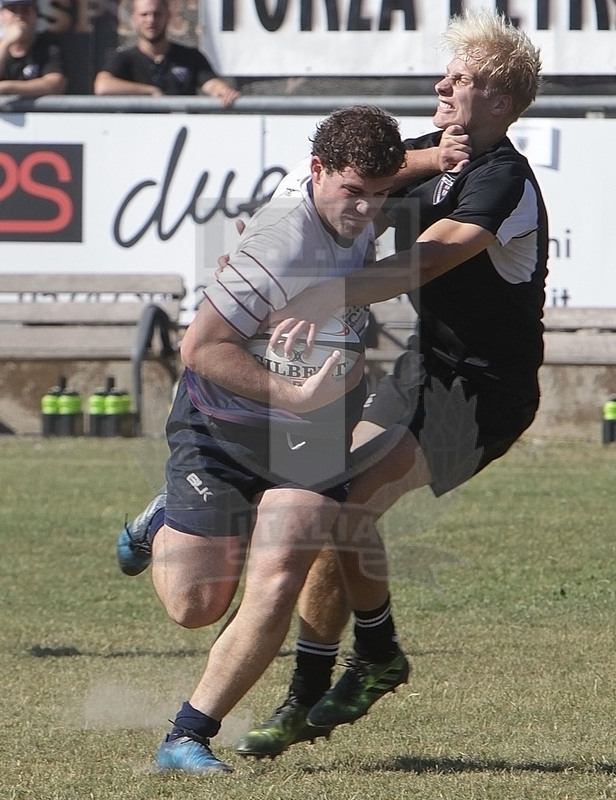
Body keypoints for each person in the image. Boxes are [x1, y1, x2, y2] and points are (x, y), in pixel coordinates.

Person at [233, 8, 548, 757]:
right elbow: (342, 184)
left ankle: (345, 671)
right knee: (330, 500)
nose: (442, 85)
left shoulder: (503, 180)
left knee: (343, 500)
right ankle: (363, 662)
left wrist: (326, 295)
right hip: (424, 370)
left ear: (500, 102)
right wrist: (259, 259)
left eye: (462, 79)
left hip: (484, 393)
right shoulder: (440, 155)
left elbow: (427, 260)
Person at [117, 105, 408, 774]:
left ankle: (186, 736)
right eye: (353, 192)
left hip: (313, 437)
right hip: (223, 427)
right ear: (316, 172)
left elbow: (400, 164)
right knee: (196, 606)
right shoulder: (278, 240)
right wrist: (292, 393)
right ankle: (161, 516)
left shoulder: (360, 193)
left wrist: (450, 150)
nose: (366, 209)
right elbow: (199, 348)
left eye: (379, 192)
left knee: (279, 575)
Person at [93, 0, 240, 106]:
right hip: (136, 137)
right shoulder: (124, 58)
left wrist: (224, 91)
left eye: (157, 14)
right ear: (134, 19)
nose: (151, 20)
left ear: (168, 16)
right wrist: (150, 91)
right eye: (144, 15)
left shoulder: (190, 56)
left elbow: (211, 83)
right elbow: (103, 86)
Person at [0, 0, 67, 97]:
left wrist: (7, 87)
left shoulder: (48, 46)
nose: (19, 16)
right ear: (2, 15)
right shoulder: (2, 46)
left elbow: (55, 84)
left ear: (35, 14)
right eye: (13, 10)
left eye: (25, 10)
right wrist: (6, 43)